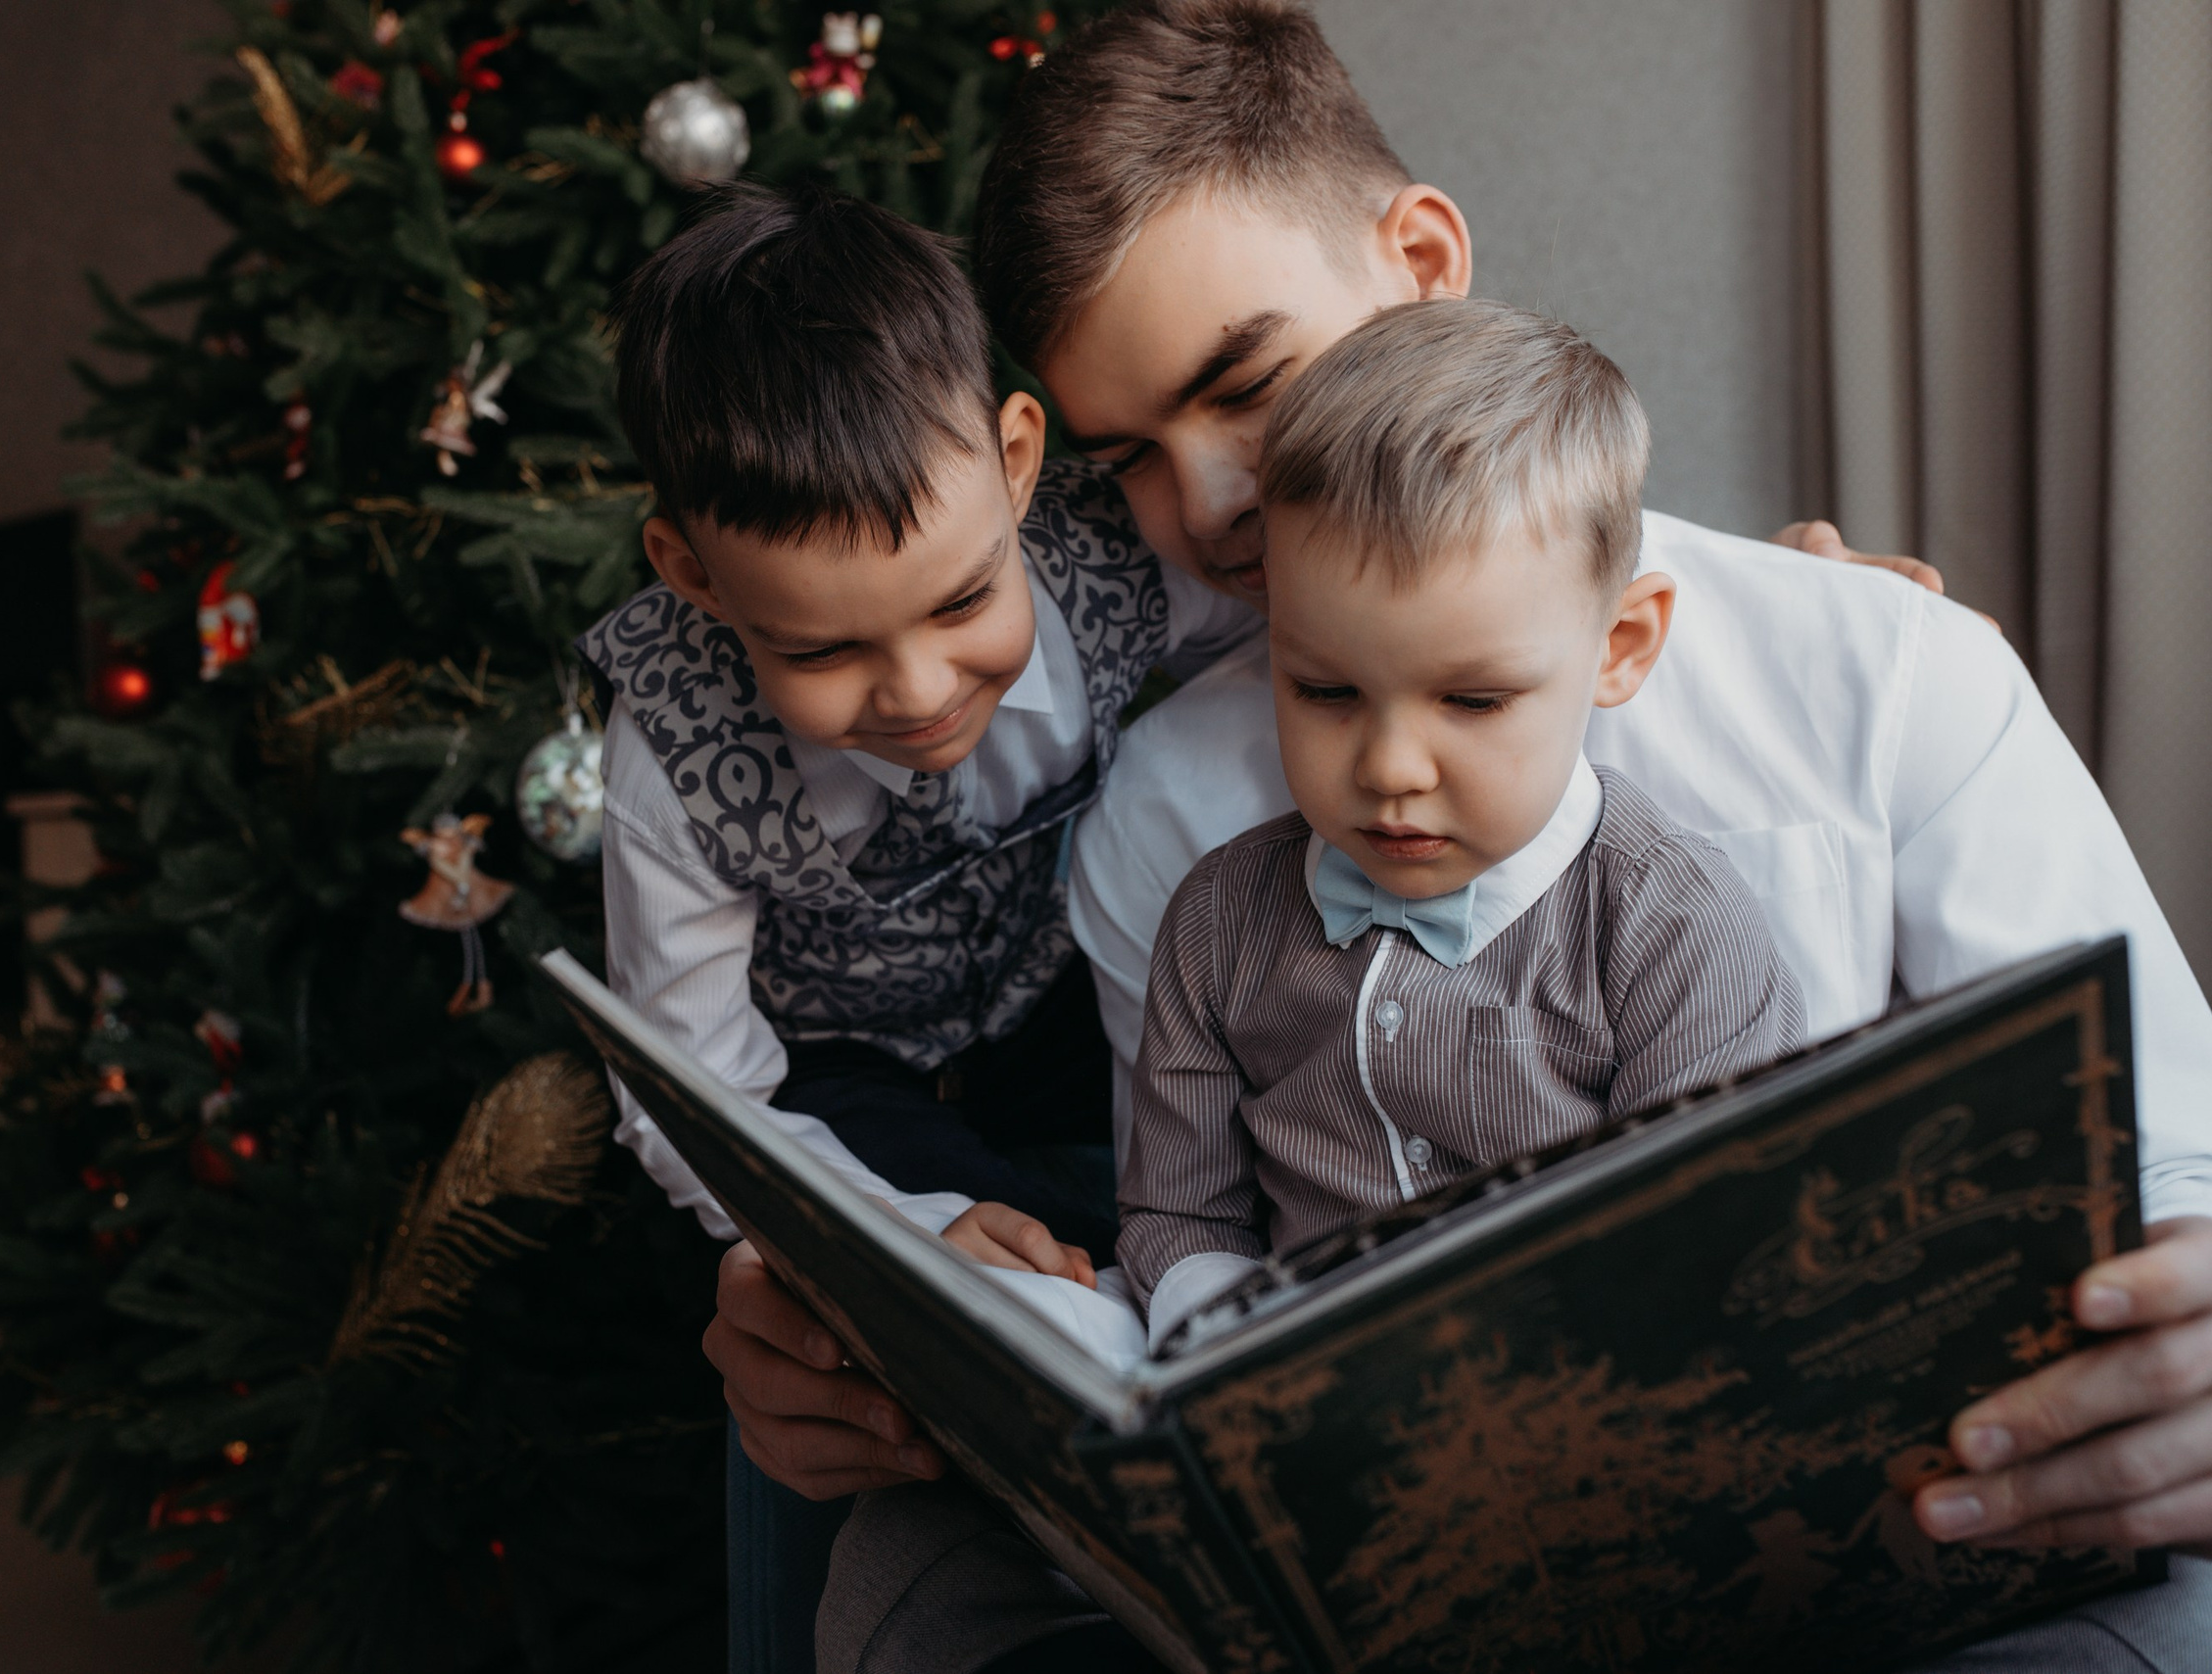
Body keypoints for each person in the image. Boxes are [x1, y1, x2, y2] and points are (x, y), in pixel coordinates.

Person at [725, 3, 2212, 1665]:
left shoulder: (1884, 671)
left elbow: (2169, 1144)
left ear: (1424, 256)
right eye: (1131, 457)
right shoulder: (1169, 816)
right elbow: (1171, 1213)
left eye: (1249, 383)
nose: (1211, 503)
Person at [575, 180, 1255, 1673]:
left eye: (960, 603)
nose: (918, 688)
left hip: (1057, 997)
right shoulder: (670, 760)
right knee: (845, 1360)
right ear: (691, 570)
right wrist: (905, 1232)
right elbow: (689, 1095)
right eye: (819, 648)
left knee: (1169, 1231)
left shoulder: (1111, 569)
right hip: (839, 1082)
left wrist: (1742, 593)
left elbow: (1351, 612)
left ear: (1017, 462)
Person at [1117, 295, 1805, 1343]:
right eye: (1325, 690)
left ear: (1619, 646)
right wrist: (1229, 1348)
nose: (1391, 768)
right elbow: (1179, 1212)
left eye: (1473, 701)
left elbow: (1711, 1255)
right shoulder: (1218, 922)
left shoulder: (1673, 932)